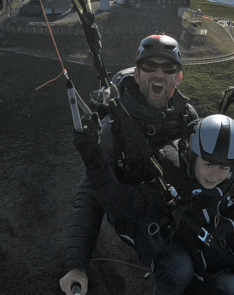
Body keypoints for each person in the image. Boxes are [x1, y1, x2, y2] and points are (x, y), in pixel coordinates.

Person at [73, 113, 234, 295]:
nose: (214, 175)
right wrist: (94, 161)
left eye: (223, 167)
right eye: (208, 164)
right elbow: (120, 203)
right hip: (215, 270)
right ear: (192, 156)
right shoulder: (170, 185)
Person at [60, 34, 199, 295]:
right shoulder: (114, 127)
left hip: (173, 204)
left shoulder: (186, 116)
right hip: (132, 213)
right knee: (178, 268)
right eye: (149, 67)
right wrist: (76, 265)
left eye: (168, 67)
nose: (158, 73)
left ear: (178, 77)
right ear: (137, 74)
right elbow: (92, 193)